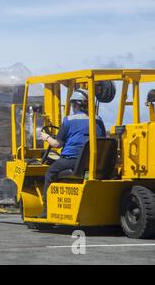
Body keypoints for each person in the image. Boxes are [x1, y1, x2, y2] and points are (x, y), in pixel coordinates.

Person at [38, 88, 106, 218]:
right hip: (92, 162)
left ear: (75, 104)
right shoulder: (99, 120)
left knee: (50, 172)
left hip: (72, 161)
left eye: (73, 105)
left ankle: (46, 210)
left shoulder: (68, 120)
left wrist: (46, 137)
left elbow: (57, 144)